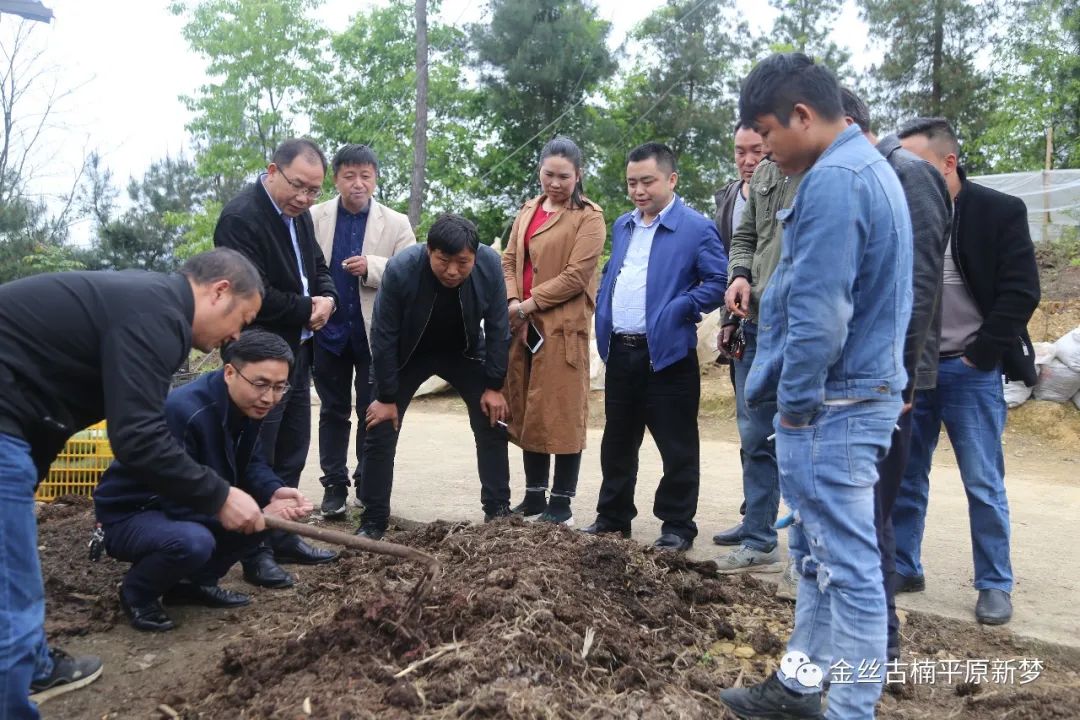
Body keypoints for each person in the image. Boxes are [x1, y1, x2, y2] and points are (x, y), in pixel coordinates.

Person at [718, 53, 912, 720]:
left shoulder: (835, 182)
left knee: (850, 567)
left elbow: (820, 314)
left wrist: (795, 408)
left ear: (802, 116)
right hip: (848, 397)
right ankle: (800, 686)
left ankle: (849, 708)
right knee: (817, 557)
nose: (764, 152)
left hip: (835, 403)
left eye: (767, 135)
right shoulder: (863, 168)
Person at [0, 249, 266, 717]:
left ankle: (36, 667)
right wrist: (219, 495)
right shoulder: (159, 315)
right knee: (11, 599)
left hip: (13, 428)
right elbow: (137, 436)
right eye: (242, 319)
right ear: (219, 291)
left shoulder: (146, 303)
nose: (237, 335)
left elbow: (44, 405)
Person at [893, 117, 1040, 626]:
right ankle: (904, 566)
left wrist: (981, 354)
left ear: (948, 163)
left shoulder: (998, 212)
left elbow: (1021, 292)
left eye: (915, 164)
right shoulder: (904, 215)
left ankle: (994, 583)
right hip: (916, 373)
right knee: (907, 476)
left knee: (982, 480)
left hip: (969, 371)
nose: (903, 175)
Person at [93, 330, 317, 633]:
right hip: (134, 513)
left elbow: (251, 461)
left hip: (186, 503)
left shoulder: (248, 404)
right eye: (261, 384)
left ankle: (190, 585)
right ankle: (137, 593)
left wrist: (274, 490)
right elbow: (177, 499)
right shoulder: (185, 412)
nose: (269, 398)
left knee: (255, 517)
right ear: (229, 373)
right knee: (195, 540)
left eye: (280, 387)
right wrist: (254, 515)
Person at [840, 89, 952, 660]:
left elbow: (921, 283)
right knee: (851, 518)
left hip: (887, 385)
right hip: (852, 381)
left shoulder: (907, 175)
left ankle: (876, 651)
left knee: (872, 516)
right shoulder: (856, 177)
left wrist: (902, 379)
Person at [584, 142, 727, 551]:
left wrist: (683, 305)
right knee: (617, 442)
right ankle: (612, 519)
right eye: (632, 182)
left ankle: (677, 526)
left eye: (647, 181)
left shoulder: (696, 228)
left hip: (668, 355)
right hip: (622, 352)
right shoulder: (624, 225)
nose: (638, 190)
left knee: (677, 445)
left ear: (671, 179)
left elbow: (717, 281)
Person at [215, 137, 340, 583]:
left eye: (314, 191)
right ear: (272, 171)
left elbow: (318, 266)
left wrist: (326, 296)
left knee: (291, 447)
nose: (305, 199)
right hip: (257, 355)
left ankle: (283, 534)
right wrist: (308, 307)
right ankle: (254, 550)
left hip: (297, 351)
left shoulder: (299, 216)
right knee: (255, 454)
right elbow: (253, 294)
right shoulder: (241, 218)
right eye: (298, 186)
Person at [357, 214, 512, 539]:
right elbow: (383, 335)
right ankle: (372, 521)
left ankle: (498, 516)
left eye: (462, 262)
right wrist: (385, 397)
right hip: (406, 354)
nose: (453, 271)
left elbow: (499, 326)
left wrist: (495, 385)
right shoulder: (401, 269)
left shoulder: (489, 265)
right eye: (444, 260)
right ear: (429, 251)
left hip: (464, 351)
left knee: (492, 422)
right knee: (380, 427)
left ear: (474, 255)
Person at [502, 136, 605, 526]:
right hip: (524, 324)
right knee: (529, 407)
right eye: (549, 174)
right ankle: (532, 495)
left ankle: (560, 502)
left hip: (562, 326)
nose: (555, 183)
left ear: (578, 176)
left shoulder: (589, 217)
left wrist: (530, 303)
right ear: (540, 171)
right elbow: (510, 258)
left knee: (561, 410)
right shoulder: (529, 209)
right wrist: (513, 301)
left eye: (564, 176)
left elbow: (577, 276)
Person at [711, 150, 806, 571]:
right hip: (757, 325)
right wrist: (739, 277)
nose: (757, 153)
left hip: (806, 326)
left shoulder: (829, 168)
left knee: (806, 438)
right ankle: (759, 536)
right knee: (755, 435)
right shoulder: (769, 171)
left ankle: (811, 556)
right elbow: (745, 239)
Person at [309, 144, 416, 518]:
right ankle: (334, 484)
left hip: (375, 334)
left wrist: (371, 265)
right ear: (335, 179)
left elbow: (410, 272)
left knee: (371, 409)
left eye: (365, 176)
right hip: (329, 332)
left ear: (375, 178)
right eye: (349, 176)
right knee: (333, 411)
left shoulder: (397, 222)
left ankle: (366, 479)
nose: (357, 184)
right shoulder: (314, 217)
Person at [713, 122, 766, 254]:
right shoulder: (725, 199)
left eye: (757, 151)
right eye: (741, 153)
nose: (748, 161)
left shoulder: (790, 192)